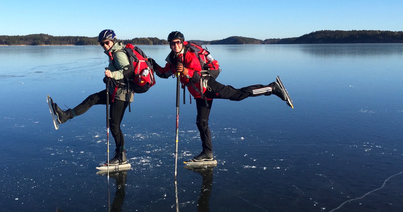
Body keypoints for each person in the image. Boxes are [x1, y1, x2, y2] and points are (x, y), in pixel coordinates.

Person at [150, 31, 293, 162]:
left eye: (178, 42)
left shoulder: (189, 55)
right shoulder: (174, 59)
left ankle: (272, 88)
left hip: (208, 86)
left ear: (182, 42)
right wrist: (154, 65)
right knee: (202, 122)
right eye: (172, 43)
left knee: (237, 95)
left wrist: (186, 70)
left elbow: (197, 75)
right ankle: (207, 153)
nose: (175, 45)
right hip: (200, 93)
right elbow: (164, 73)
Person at [51, 29, 133, 165]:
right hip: (115, 90)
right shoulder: (113, 53)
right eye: (102, 44)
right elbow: (118, 73)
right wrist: (109, 78)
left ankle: (121, 156)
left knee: (114, 125)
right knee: (92, 99)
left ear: (113, 40)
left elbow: (128, 71)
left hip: (122, 94)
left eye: (107, 42)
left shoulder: (118, 53)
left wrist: (112, 75)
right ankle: (65, 116)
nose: (105, 46)